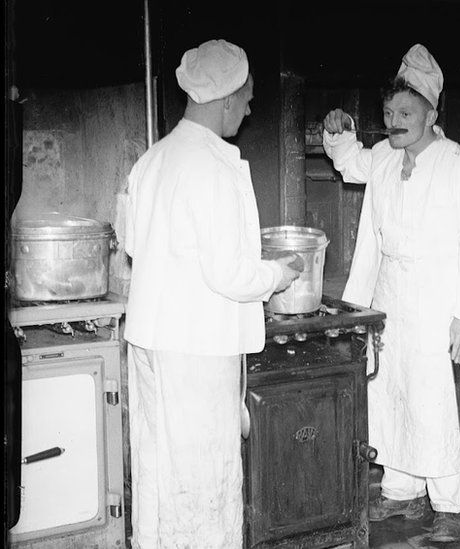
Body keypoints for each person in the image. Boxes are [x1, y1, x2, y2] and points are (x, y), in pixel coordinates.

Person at [124, 39, 301, 548]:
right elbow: (229, 274)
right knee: (203, 481)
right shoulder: (213, 166)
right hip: (197, 348)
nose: (248, 110)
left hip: (152, 341)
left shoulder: (153, 160)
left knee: (159, 473)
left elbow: (136, 245)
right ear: (225, 99)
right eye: (246, 99)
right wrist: (278, 274)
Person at [321, 43, 460, 543]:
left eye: (406, 113)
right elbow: (349, 162)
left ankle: (449, 503)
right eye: (388, 112)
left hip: (438, 299)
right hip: (389, 293)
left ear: (432, 114)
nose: (394, 121)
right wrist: (338, 133)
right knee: (390, 389)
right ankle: (401, 491)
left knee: (434, 396)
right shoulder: (381, 155)